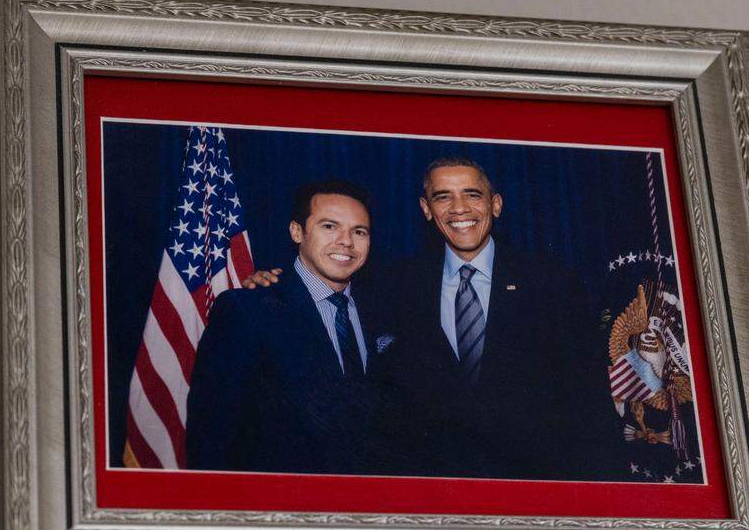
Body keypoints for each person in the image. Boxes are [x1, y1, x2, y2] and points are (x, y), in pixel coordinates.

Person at [246, 158, 624, 481]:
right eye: (443, 196)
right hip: (430, 494)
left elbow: (591, 406)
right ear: (426, 209)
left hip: (533, 488)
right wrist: (271, 283)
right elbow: (322, 294)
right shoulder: (391, 284)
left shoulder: (554, 282)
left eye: (472, 195)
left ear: (496, 204)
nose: (459, 209)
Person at [186, 180, 395, 474]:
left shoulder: (384, 309)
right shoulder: (247, 310)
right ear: (297, 231)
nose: (346, 241)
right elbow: (211, 437)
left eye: (359, 231)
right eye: (329, 226)